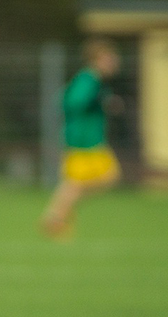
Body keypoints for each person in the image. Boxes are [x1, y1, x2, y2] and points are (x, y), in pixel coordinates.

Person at [41, 38, 122, 239]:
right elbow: (71, 101)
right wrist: (99, 101)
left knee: (101, 180)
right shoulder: (89, 79)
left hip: (91, 140)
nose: (114, 62)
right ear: (97, 59)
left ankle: (57, 214)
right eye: (109, 58)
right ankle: (56, 217)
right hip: (83, 141)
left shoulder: (96, 81)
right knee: (80, 183)